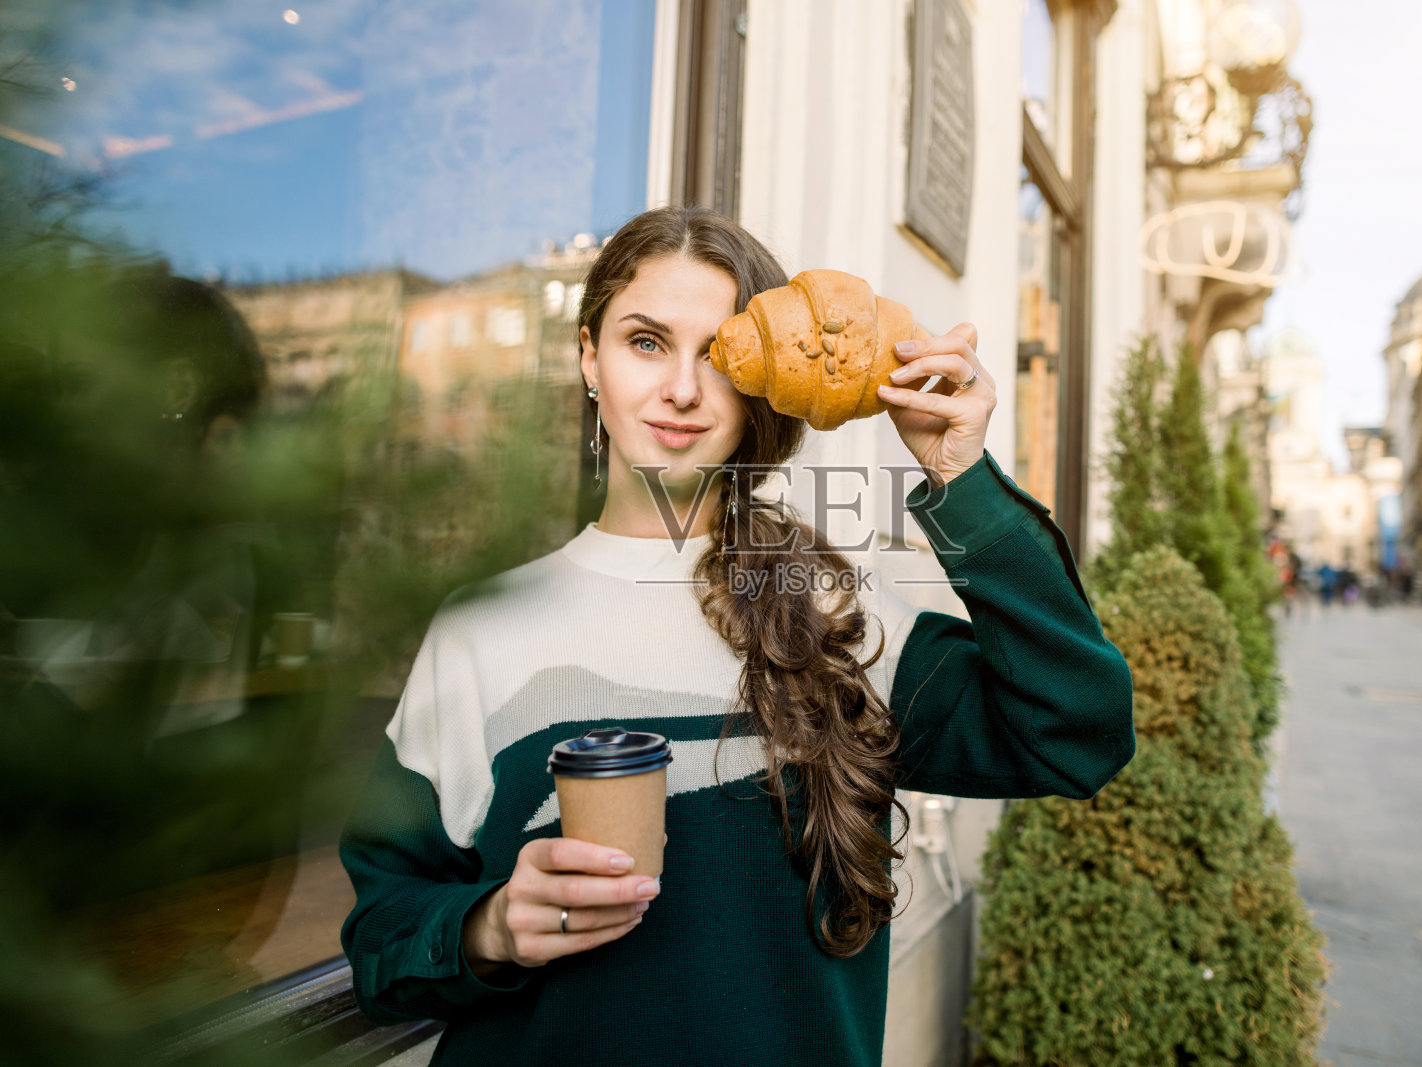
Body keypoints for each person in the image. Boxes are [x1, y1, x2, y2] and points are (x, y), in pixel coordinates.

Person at [336, 207, 1136, 1067]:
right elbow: (382, 942)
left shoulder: (842, 615)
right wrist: (490, 926)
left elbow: (1077, 731)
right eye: (646, 342)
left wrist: (960, 476)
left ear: (762, 380)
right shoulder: (479, 628)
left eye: (716, 353)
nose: (682, 388)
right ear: (589, 358)